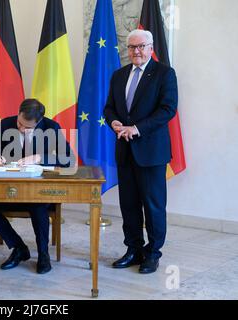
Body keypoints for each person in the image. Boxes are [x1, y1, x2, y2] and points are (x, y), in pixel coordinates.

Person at [103, 29, 178, 274]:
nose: (136, 51)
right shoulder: (119, 75)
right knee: (129, 205)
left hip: (151, 152)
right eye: (132, 47)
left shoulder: (165, 74)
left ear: (151, 47)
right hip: (125, 152)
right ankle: (133, 249)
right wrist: (113, 122)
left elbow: (168, 110)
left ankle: (153, 253)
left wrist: (136, 128)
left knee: (153, 206)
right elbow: (109, 108)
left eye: (141, 46)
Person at [0, 98, 74, 274]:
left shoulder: (51, 127)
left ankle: (43, 255)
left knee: (38, 205)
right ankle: (19, 247)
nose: (21, 129)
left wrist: (40, 158)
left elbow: (68, 159)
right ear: (18, 113)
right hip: (9, 189)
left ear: (38, 123)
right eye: (19, 123)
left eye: (27, 127)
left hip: (39, 191)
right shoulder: (7, 124)